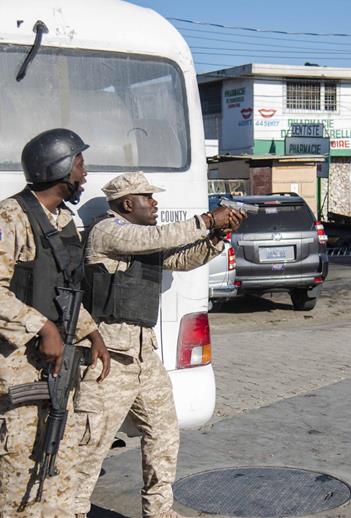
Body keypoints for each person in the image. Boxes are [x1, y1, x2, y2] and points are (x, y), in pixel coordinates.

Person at [66, 172, 245, 518]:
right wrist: (207, 219)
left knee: (164, 434)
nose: (155, 203)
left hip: (143, 355)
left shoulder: (142, 240)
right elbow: (162, 236)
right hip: (108, 359)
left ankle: (159, 511)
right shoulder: (109, 231)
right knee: (92, 444)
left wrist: (217, 236)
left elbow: (180, 259)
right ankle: (72, 511)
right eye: (148, 198)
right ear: (127, 203)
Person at [0, 128, 111, 517]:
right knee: (21, 478)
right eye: (80, 164)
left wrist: (90, 332)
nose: (85, 175)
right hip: (17, 366)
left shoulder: (63, 220)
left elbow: (62, 291)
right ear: (61, 168)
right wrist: (42, 328)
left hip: (59, 362)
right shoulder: (9, 217)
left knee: (58, 470)